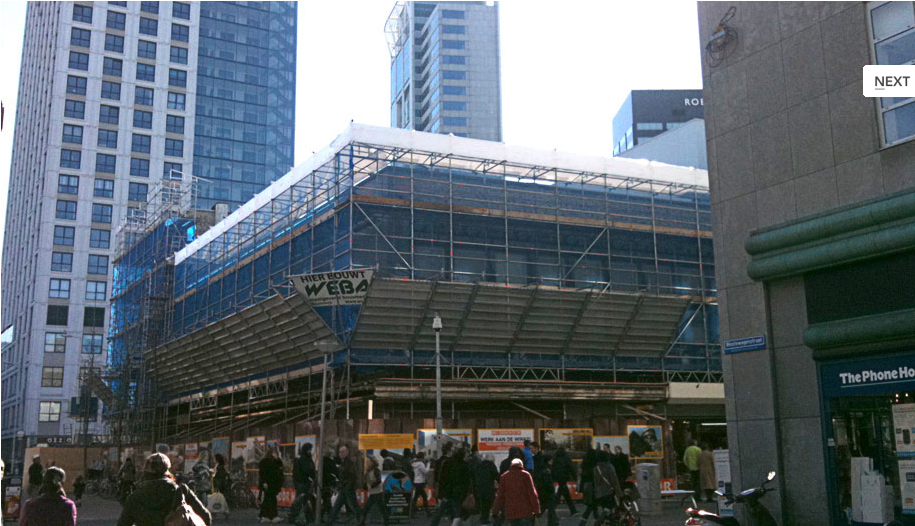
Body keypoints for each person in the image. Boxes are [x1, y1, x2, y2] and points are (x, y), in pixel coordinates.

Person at [117, 452, 211, 526]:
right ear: (167, 470)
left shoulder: (134, 497)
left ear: (145, 472)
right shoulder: (181, 491)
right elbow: (206, 517)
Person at [430, 447, 472, 526]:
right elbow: (467, 482)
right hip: (458, 493)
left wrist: (441, 491)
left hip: (447, 491)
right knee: (457, 514)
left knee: (440, 512)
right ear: (463, 455)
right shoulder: (465, 466)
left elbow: (441, 478)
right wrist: (466, 494)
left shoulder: (447, 463)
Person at [493, 458, 540, 526]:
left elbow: (500, 496)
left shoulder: (504, 476)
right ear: (521, 465)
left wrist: (495, 511)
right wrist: (537, 510)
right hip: (525, 511)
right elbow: (532, 493)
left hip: (511, 512)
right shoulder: (526, 475)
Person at [326, 444, 359, 525]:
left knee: (354, 506)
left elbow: (353, 476)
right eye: (340, 452)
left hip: (348, 489)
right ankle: (330, 522)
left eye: (343, 452)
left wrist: (347, 486)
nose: (341, 454)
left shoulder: (350, 463)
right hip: (344, 489)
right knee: (337, 506)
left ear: (347, 452)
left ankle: (361, 520)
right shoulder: (343, 462)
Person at [530, 444, 558, 526]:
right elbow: (548, 483)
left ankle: (552, 521)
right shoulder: (547, 470)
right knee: (549, 506)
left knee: (545, 506)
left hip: (542, 490)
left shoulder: (542, 468)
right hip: (547, 492)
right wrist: (552, 490)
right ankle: (552, 522)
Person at [290, 443, 316, 525]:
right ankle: (299, 517)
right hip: (304, 483)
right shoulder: (305, 459)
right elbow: (308, 470)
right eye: (310, 449)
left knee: (303, 501)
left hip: (301, 483)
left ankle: (301, 518)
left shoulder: (301, 458)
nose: (310, 451)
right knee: (303, 501)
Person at [258, 447, 285, 523]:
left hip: (273, 483)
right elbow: (262, 473)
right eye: (275, 453)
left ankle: (264, 515)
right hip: (269, 483)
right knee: (271, 499)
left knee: (268, 499)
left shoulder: (275, 461)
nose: (276, 454)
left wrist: (277, 458)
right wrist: (264, 482)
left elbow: (281, 465)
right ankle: (273, 516)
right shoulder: (264, 462)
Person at [360, 457, 388, 526]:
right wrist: (365, 486)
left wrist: (371, 486)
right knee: (367, 507)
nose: (367, 463)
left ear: (372, 462)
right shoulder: (368, 471)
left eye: (368, 461)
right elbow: (366, 482)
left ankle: (386, 522)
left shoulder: (376, 470)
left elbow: (379, 480)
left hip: (378, 492)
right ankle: (362, 522)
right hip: (373, 493)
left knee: (381, 508)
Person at [473, 453, 499, 525]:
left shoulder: (479, 465)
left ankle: (483, 519)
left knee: (483, 504)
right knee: (488, 504)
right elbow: (496, 476)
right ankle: (486, 519)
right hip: (488, 489)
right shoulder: (491, 466)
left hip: (479, 488)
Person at [551, 448, 578, 516]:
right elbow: (571, 467)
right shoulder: (566, 458)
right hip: (564, 477)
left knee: (564, 493)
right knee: (561, 494)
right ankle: (552, 509)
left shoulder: (556, 458)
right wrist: (574, 476)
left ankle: (573, 510)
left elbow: (553, 468)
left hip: (558, 478)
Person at [577, 448, 598, 526]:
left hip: (586, 486)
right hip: (593, 486)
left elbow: (582, 476)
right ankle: (587, 519)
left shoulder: (585, 463)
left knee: (592, 504)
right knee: (592, 504)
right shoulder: (595, 464)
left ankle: (595, 519)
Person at [410, 452, 431, 516]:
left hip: (416, 481)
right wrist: (428, 464)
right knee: (423, 496)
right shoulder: (421, 464)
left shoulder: (414, 464)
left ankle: (413, 512)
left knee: (416, 497)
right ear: (422, 457)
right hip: (420, 482)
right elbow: (425, 472)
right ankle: (427, 512)